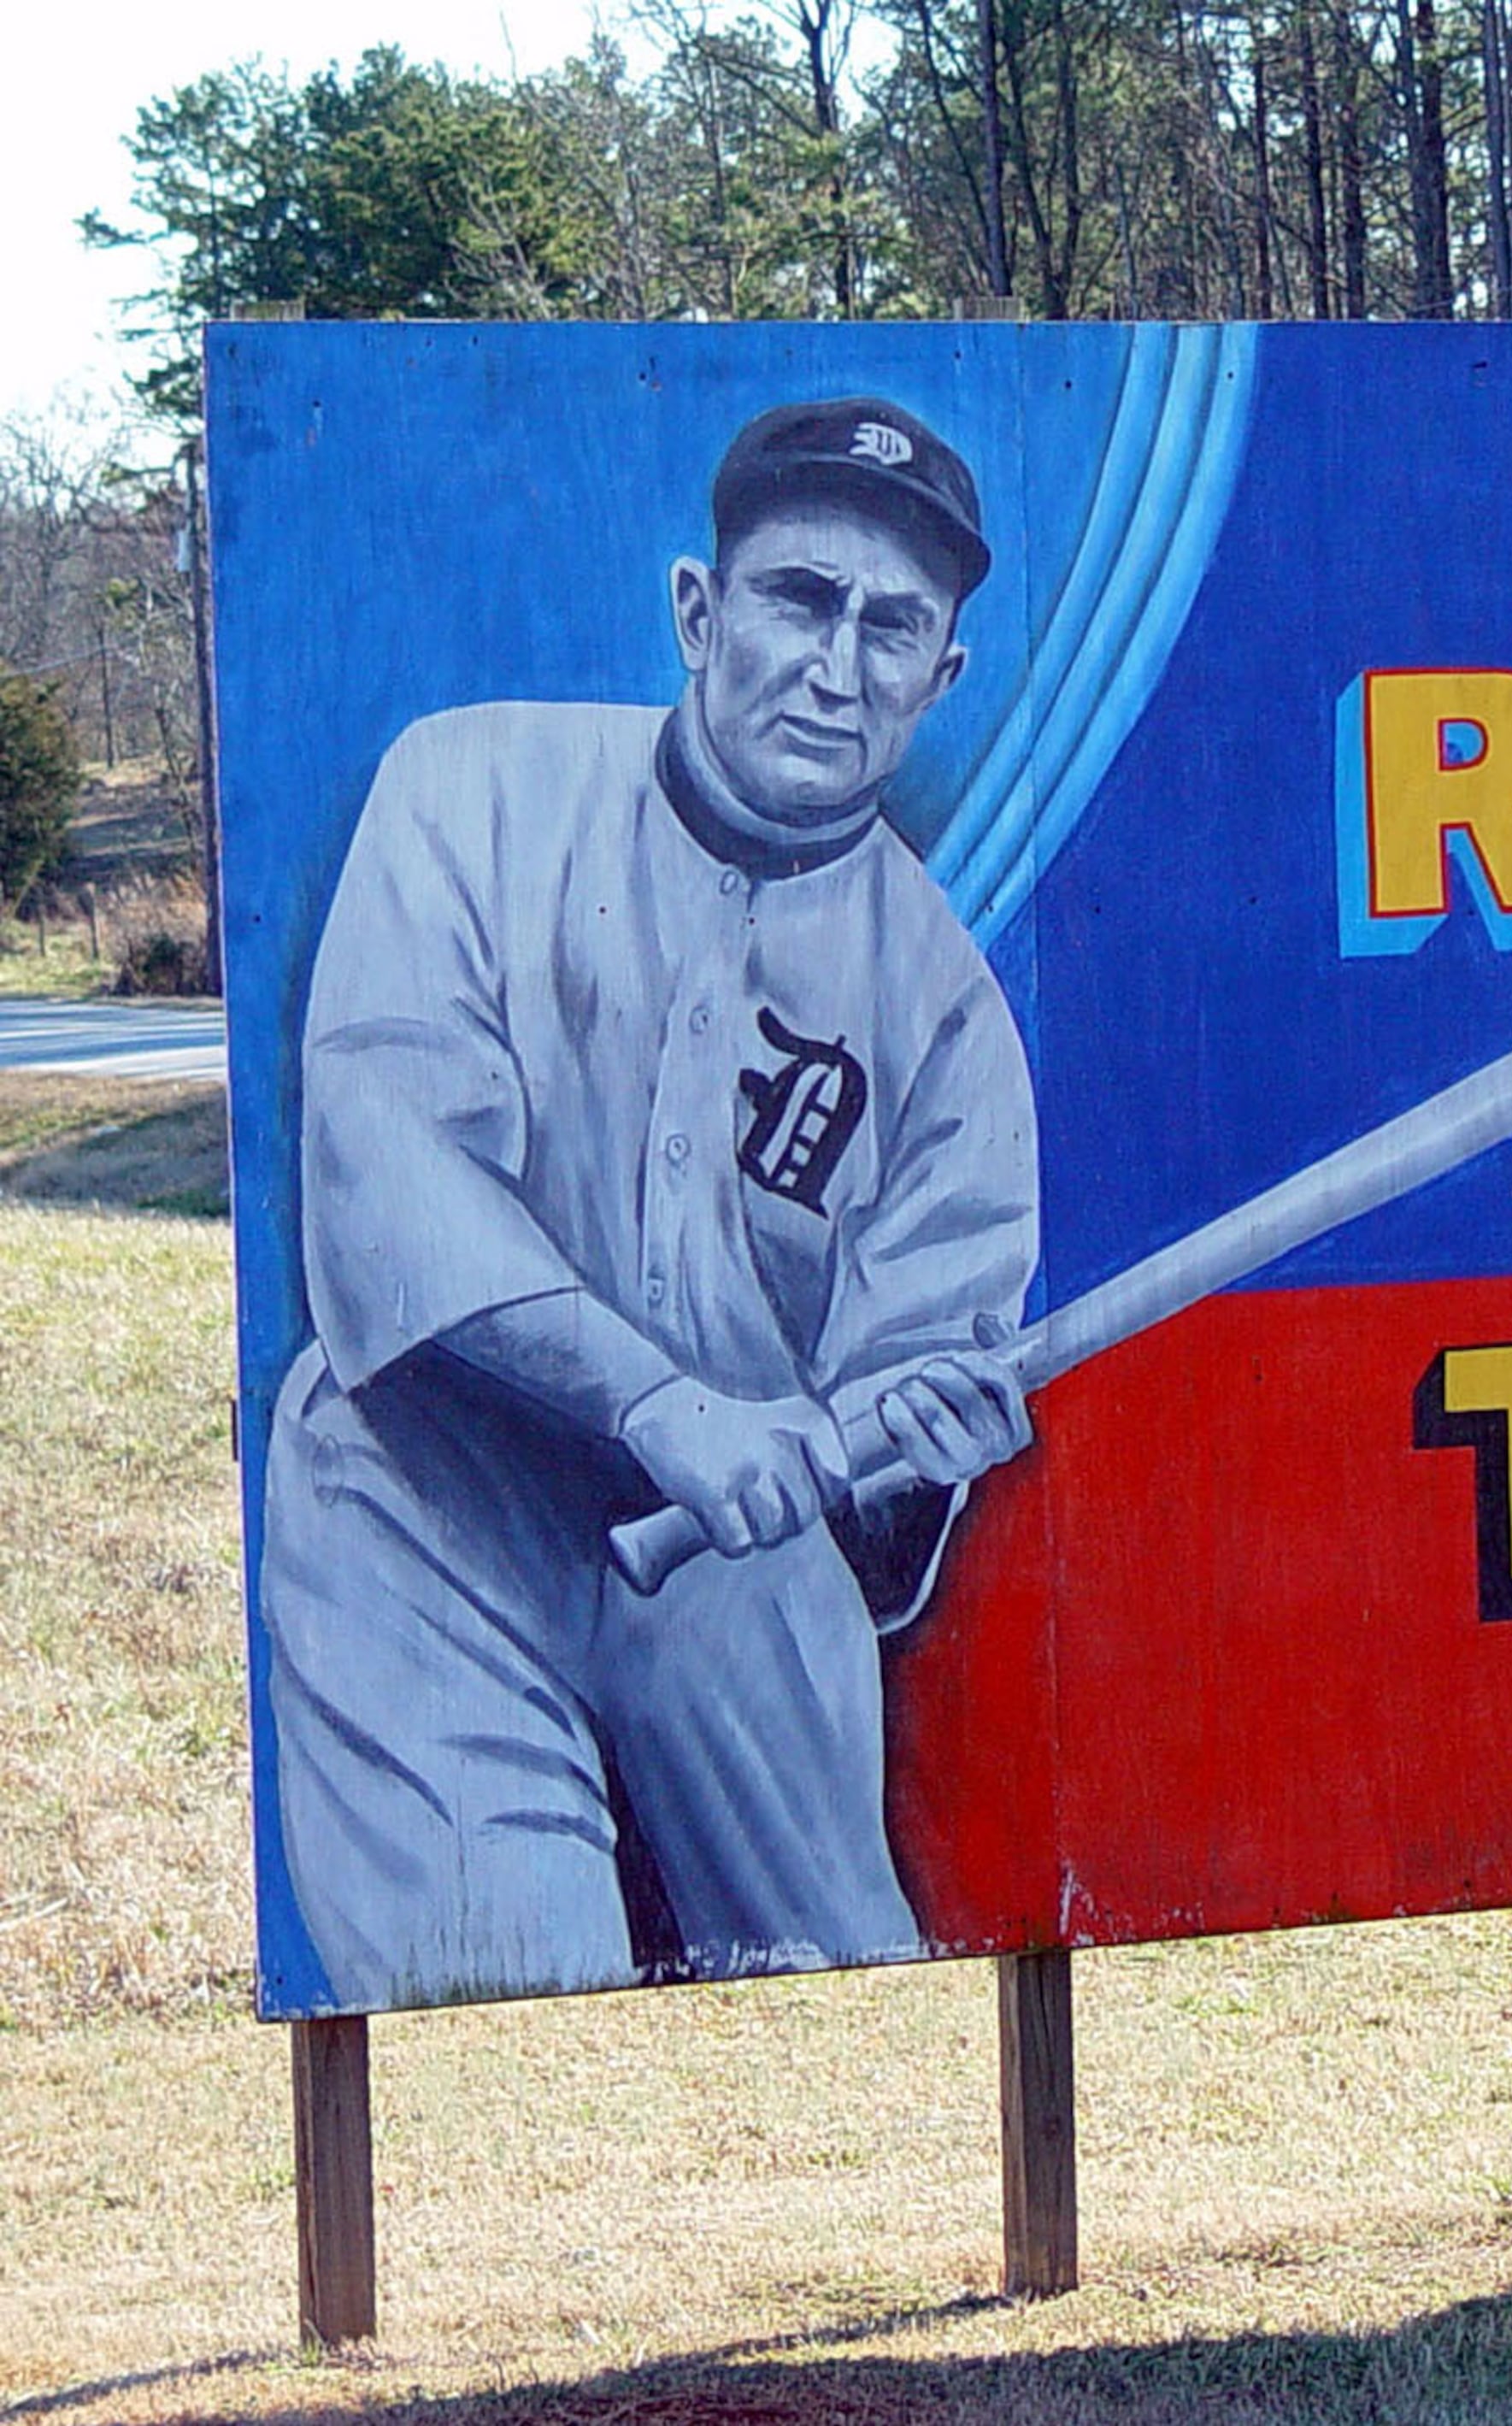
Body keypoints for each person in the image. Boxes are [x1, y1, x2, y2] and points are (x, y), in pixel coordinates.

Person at [258, 397, 1040, 2011]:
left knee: (856, 1998)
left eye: (893, 627)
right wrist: (657, 1400)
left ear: (940, 678)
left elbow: (881, 1433)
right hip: (425, 1494)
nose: (839, 662)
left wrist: (904, 1456)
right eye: (798, 599)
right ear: (700, 610)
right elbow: (390, 1175)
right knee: (502, 1994)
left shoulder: (951, 1016)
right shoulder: (468, 786)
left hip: (731, 1554)